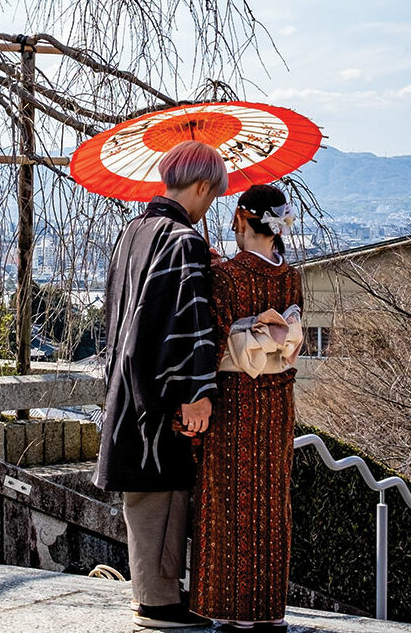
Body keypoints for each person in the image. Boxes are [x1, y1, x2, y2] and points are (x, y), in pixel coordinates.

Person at [94, 140, 226, 629]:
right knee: (165, 495)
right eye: (212, 194)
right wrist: (196, 394)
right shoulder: (183, 241)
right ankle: (160, 604)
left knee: (142, 499)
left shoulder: (133, 232)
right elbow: (188, 323)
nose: (211, 203)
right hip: (161, 397)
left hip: (125, 390)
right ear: (202, 185)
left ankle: (148, 595)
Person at [190, 184, 303, 632]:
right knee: (272, 502)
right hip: (278, 402)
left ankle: (229, 611)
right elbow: (288, 343)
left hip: (236, 402)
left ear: (240, 217)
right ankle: (269, 611)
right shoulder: (291, 276)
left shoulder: (225, 276)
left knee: (228, 500)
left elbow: (213, 343)